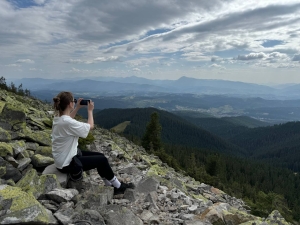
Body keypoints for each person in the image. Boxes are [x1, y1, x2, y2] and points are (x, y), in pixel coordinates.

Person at [51, 91, 134, 195]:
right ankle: (118, 187)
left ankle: (109, 184)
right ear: (70, 104)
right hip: (67, 164)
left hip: (63, 159)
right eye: (74, 101)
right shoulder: (67, 122)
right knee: (102, 160)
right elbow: (90, 126)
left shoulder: (58, 119)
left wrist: (77, 108)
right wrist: (90, 111)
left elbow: (68, 118)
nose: (75, 102)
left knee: (100, 156)